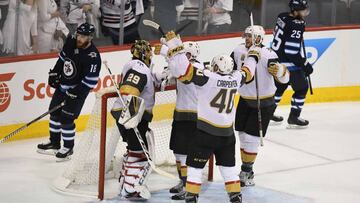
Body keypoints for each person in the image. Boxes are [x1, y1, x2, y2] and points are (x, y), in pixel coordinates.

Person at [156, 31, 258, 203]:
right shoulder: (235, 78)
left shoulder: (209, 78)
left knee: (195, 167)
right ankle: (235, 196)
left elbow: (185, 71)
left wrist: (172, 46)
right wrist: (253, 57)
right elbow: (248, 72)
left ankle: (191, 197)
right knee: (228, 168)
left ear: (217, 67)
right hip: (227, 135)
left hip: (206, 133)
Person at [231, 25, 290, 187]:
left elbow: (285, 80)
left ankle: (247, 171)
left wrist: (280, 71)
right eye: (246, 35)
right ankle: (245, 167)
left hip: (263, 102)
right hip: (244, 99)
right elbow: (231, 69)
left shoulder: (268, 54)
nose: (247, 38)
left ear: (259, 38)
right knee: (242, 135)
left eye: (250, 36)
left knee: (251, 139)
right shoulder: (237, 50)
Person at [110, 40, 166, 200]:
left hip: (130, 114)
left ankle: (124, 184)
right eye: (149, 51)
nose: (151, 54)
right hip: (132, 115)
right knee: (139, 154)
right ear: (143, 54)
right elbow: (130, 90)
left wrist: (161, 76)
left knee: (134, 151)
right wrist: (132, 116)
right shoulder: (139, 67)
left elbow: (148, 82)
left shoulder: (139, 67)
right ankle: (131, 189)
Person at [37, 23, 101, 161]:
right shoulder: (71, 42)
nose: (79, 38)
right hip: (63, 87)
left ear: (90, 37)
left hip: (78, 92)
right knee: (54, 112)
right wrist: (55, 72)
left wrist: (75, 92)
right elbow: (62, 58)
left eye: (83, 36)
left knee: (66, 119)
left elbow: (90, 81)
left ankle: (68, 148)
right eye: (79, 35)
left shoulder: (93, 56)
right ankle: (54, 143)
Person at [167, 41, 204, 200]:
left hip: (192, 116)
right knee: (178, 151)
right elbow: (173, 72)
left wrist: (167, 53)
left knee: (187, 153)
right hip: (181, 115)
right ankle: (183, 182)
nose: (184, 58)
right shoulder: (185, 67)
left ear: (192, 55)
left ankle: (189, 186)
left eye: (186, 55)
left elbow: (181, 73)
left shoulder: (197, 68)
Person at [270, 0, 313, 128]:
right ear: (295, 10)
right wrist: (305, 64)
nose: (305, 12)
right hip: (289, 65)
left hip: (276, 61)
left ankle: (267, 113)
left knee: (279, 88)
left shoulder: (281, 16)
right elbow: (291, 51)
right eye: (302, 10)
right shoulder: (298, 24)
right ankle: (294, 118)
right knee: (301, 89)